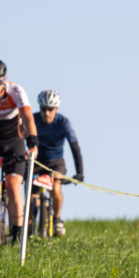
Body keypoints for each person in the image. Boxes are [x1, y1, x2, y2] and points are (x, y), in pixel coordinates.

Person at [0, 59, 39, 243]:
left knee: (13, 187)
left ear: (5, 79)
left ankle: (18, 234)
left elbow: (28, 118)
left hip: (15, 144)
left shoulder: (16, 91)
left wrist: (33, 144)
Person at [32, 90, 83, 236]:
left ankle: (57, 219)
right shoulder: (33, 120)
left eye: (50, 109)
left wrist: (80, 172)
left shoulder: (63, 123)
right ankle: (32, 223)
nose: (46, 113)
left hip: (56, 162)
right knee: (32, 196)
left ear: (56, 109)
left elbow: (75, 147)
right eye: (43, 109)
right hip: (36, 161)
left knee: (56, 188)